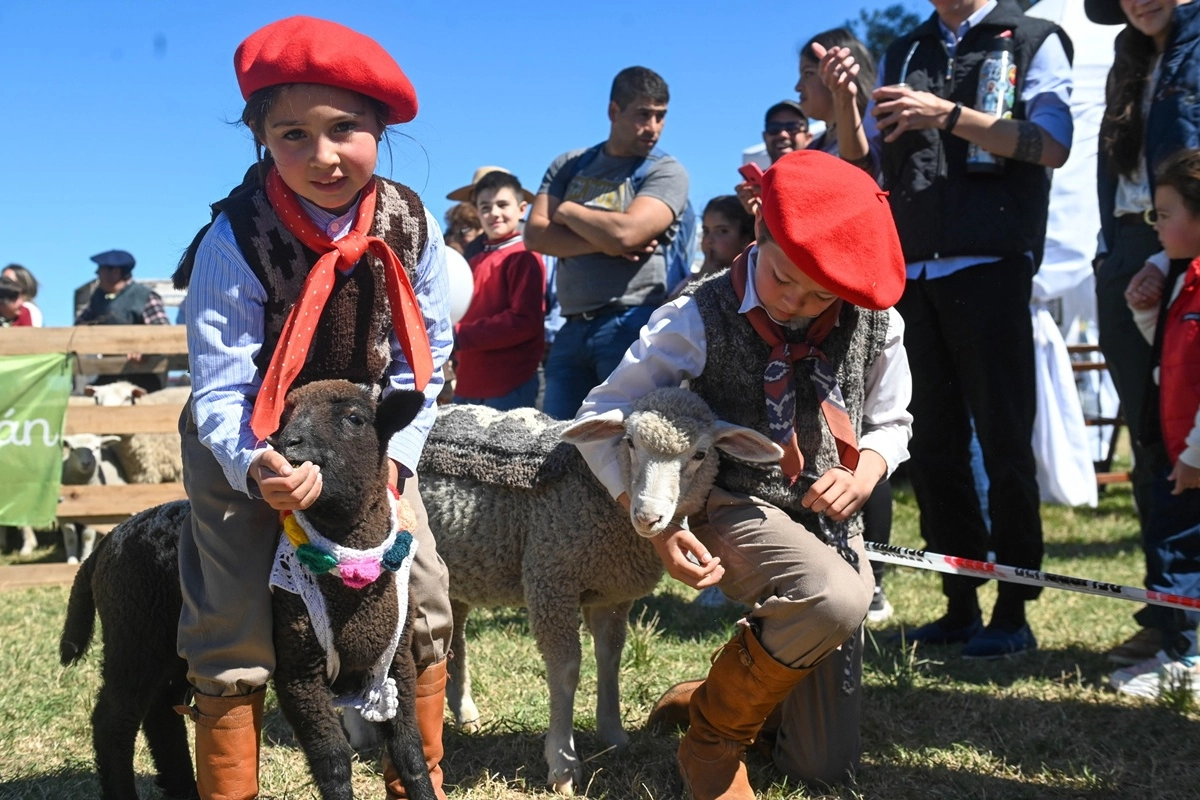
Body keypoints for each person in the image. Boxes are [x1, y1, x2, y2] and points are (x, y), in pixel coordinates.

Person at [170, 17, 454, 799]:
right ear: (261, 136)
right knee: (231, 614)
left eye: (344, 130)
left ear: (380, 128)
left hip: (366, 439)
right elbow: (221, 387)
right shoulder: (235, 239)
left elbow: (421, 361)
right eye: (293, 134)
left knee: (421, 589)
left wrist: (395, 464)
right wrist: (255, 464)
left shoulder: (413, 226)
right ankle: (232, 786)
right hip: (251, 436)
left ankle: (414, 776)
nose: (323, 156)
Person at [577, 150, 912, 793]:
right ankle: (713, 742)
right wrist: (652, 523)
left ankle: (710, 696)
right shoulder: (696, 315)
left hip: (829, 520)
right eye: (787, 279)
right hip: (736, 505)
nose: (799, 304)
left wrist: (866, 473)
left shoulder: (876, 316)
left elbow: (893, 421)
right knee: (839, 598)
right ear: (762, 231)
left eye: (823, 296)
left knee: (818, 765)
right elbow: (605, 412)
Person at [833, 0, 1074, 658]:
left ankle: (1015, 608)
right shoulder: (907, 50)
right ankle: (960, 601)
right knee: (933, 447)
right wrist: (844, 104)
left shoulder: (1032, 38)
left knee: (1003, 442)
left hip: (992, 264)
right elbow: (867, 167)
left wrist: (947, 115)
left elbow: (1053, 143)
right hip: (913, 275)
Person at [1086, 0, 1200, 667]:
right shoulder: (1125, 61)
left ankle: (1184, 626)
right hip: (1128, 250)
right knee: (1151, 441)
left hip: (1180, 250)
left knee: (1187, 440)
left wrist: (1172, 253)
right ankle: (1168, 608)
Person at [525, 66, 691, 421]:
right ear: (614, 111)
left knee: (626, 443)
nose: (654, 127)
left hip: (631, 322)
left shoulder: (665, 171)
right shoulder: (570, 165)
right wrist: (608, 242)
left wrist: (566, 211)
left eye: (661, 116)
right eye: (643, 115)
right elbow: (536, 235)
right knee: (557, 445)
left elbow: (628, 234)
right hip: (570, 330)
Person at [1108, 147, 1200, 699]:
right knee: (1177, 546)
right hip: (1180, 450)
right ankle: (1178, 650)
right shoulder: (1182, 278)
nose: (1156, 225)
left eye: (1164, 214)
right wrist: (1145, 308)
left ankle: (1185, 660)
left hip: (1192, 457)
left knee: (1183, 554)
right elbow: (1174, 357)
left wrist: (1194, 455)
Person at [453, 169, 546, 410]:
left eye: (502, 204)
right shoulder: (473, 260)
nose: (494, 213)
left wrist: (459, 336)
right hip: (468, 382)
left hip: (509, 382)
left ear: (522, 209)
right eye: (485, 207)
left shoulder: (525, 256)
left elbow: (524, 321)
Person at [76, 249, 171, 392]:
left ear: (115, 272)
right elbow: (79, 329)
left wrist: (145, 350)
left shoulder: (144, 297)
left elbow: (163, 334)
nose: (97, 273)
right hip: (108, 373)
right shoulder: (98, 298)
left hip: (142, 376)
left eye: (100, 269)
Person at [668, 195, 754, 300]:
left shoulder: (751, 282)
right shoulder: (692, 279)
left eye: (722, 231)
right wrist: (701, 279)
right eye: (706, 231)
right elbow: (667, 310)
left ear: (745, 239)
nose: (709, 240)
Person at [736, 101, 812, 216]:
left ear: (808, 137)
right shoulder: (755, 189)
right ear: (765, 137)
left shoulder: (824, 178)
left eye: (793, 127)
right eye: (774, 128)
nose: (783, 134)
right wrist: (755, 216)